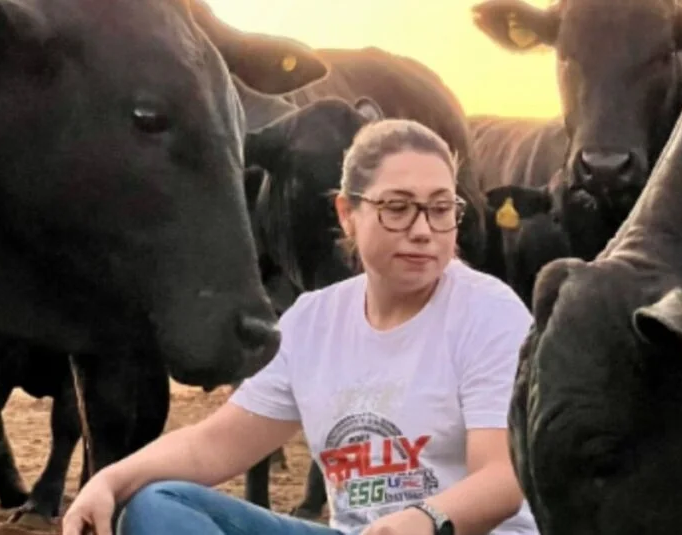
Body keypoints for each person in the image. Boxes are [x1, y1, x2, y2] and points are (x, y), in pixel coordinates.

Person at [61, 118, 539, 535]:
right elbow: (215, 444)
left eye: (440, 209)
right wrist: (109, 480)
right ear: (347, 215)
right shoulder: (314, 321)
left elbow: (503, 477)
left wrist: (426, 519)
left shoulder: (488, 312)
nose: (423, 229)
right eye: (397, 208)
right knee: (156, 508)